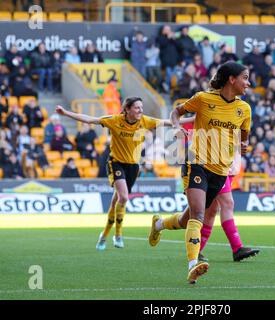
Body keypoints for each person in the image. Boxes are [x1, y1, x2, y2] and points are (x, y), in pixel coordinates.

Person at [165, 61, 256, 284]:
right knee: (198, 215)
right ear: (231, 79)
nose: (248, 82)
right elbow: (176, 113)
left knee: (189, 218)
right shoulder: (203, 99)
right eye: (245, 77)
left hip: (220, 171)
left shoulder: (244, 109)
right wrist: (177, 127)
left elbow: (243, 138)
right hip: (196, 163)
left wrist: (242, 146)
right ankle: (192, 265)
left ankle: (159, 224)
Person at [55, 97, 173, 251]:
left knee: (115, 202)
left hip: (133, 167)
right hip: (116, 163)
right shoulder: (115, 120)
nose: (140, 110)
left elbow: (168, 122)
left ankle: (104, 235)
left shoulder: (145, 121)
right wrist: (65, 113)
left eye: (141, 108)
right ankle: (118, 235)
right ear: (128, 109)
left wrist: (195, 118)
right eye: (137, 107)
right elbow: (91, 120)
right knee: (123, 197)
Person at [149, 150, 259, 263]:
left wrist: (236, 160)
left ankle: (159, 225)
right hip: (210, 165)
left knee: (203, 213)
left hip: (226, 166)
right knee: (227, 203)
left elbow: (239, 143)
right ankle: (237, 248)